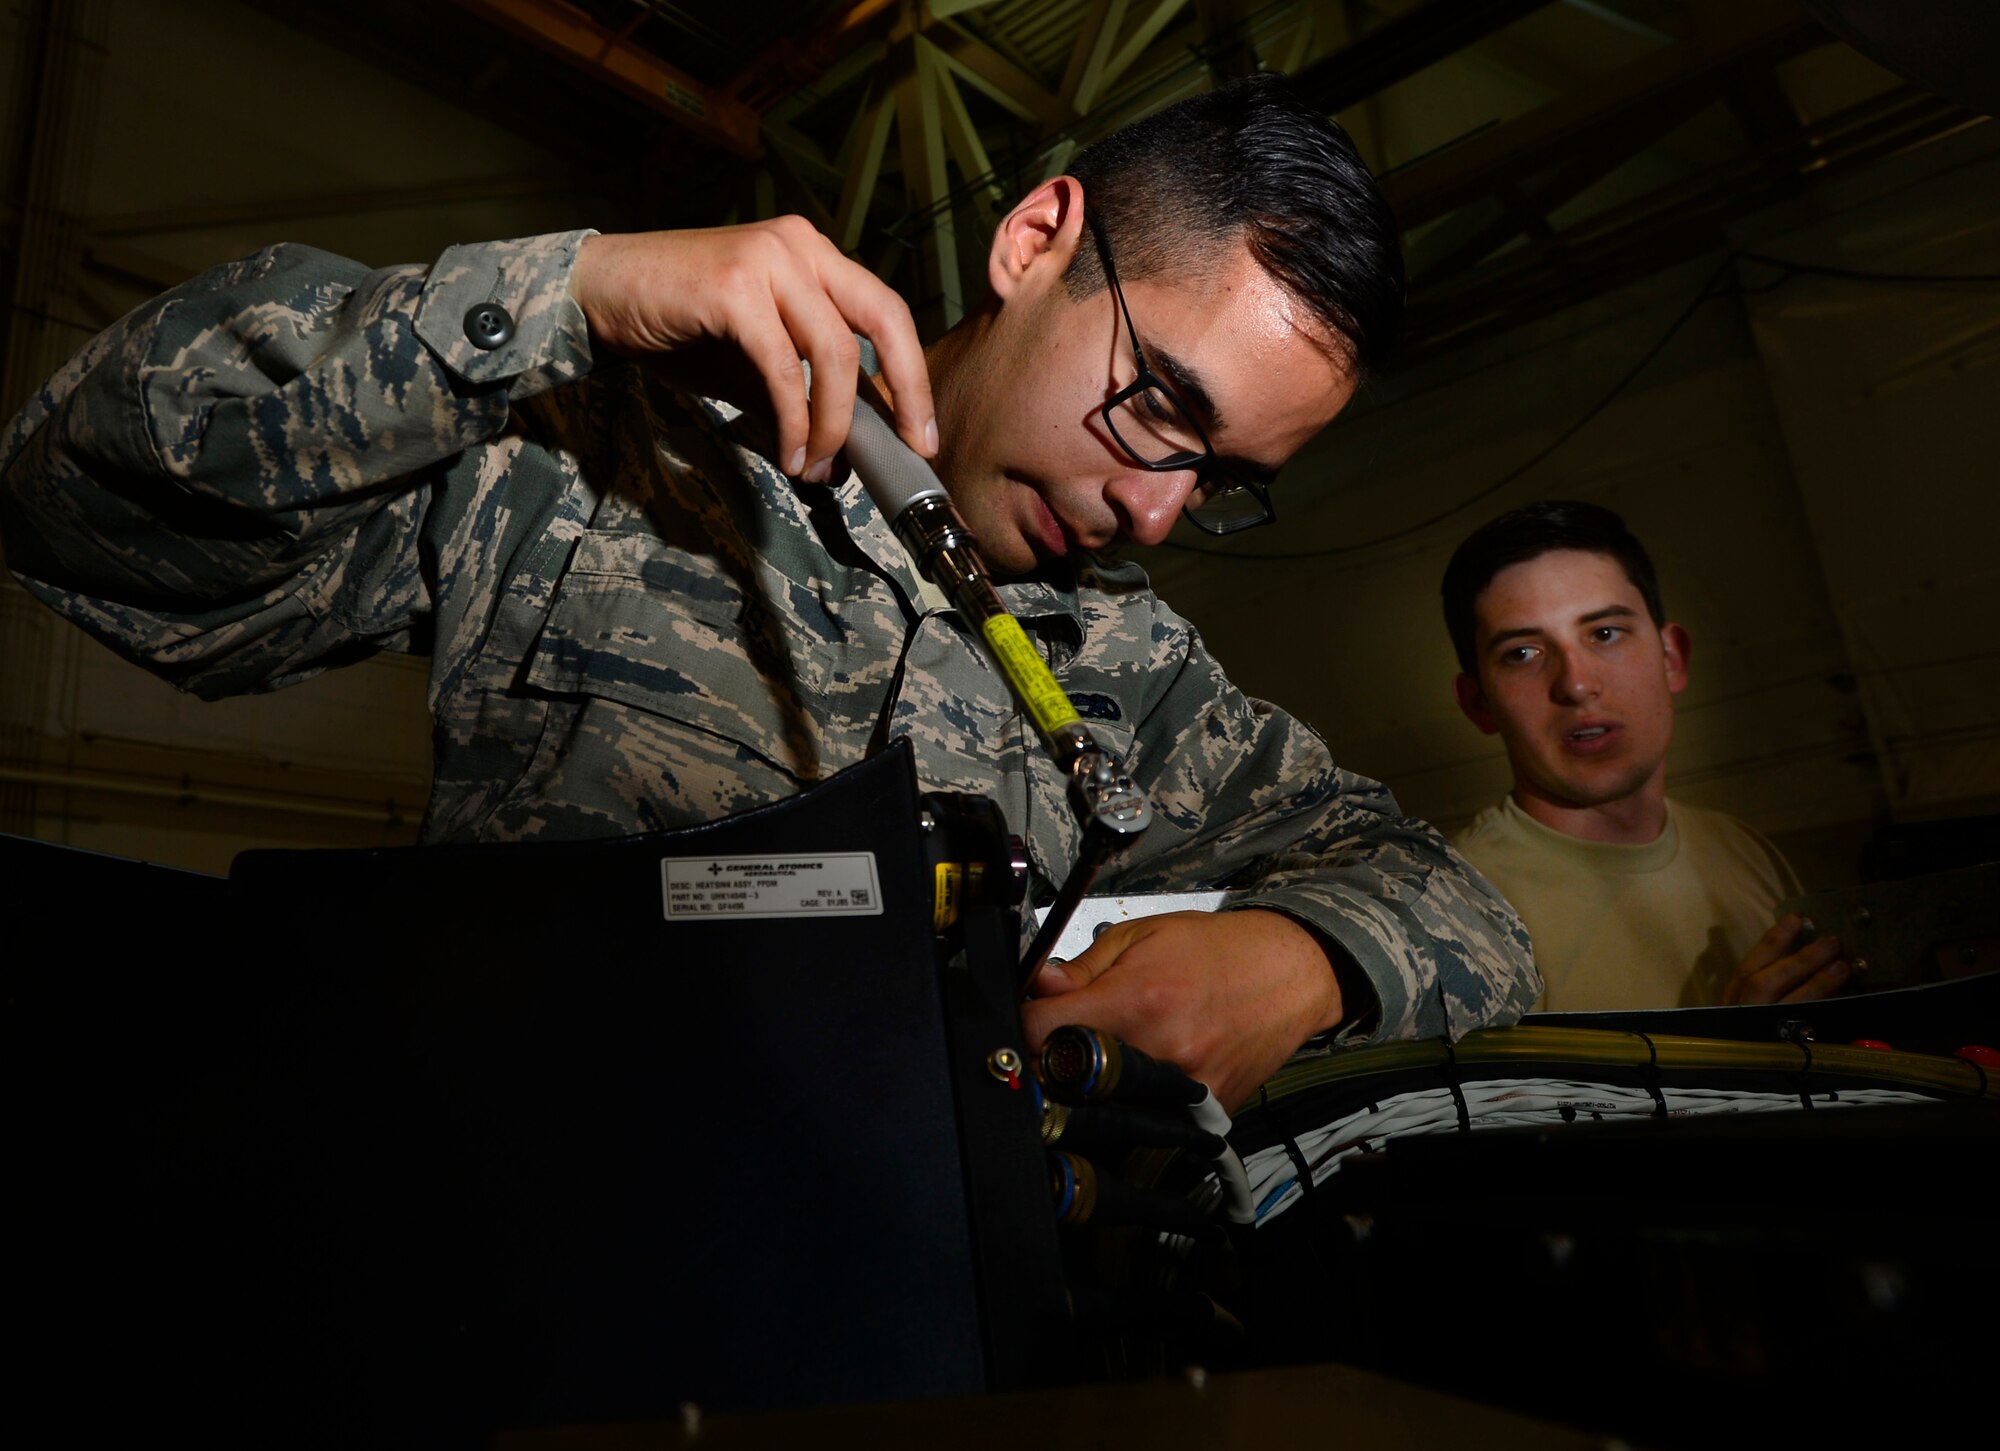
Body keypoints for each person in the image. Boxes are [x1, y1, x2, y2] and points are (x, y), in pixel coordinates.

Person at [1, 77, 1535, 1109]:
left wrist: (1306, 958)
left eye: (1225, 475)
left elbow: (1466, 906)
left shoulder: (1140, 670)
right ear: (1036, 240)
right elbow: (80, 492)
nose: (1158, 504)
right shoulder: (616, 458)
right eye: (1157, 407)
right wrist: (567, 295)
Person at [1440, 500, 1848, 1011]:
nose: (1577, 683)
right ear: (1479, 703)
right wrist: (1743, 1052)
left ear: (1672, 658)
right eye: (1522, 653)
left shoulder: (1743, 848)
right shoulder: (1458, 917)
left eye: (1605, 633)